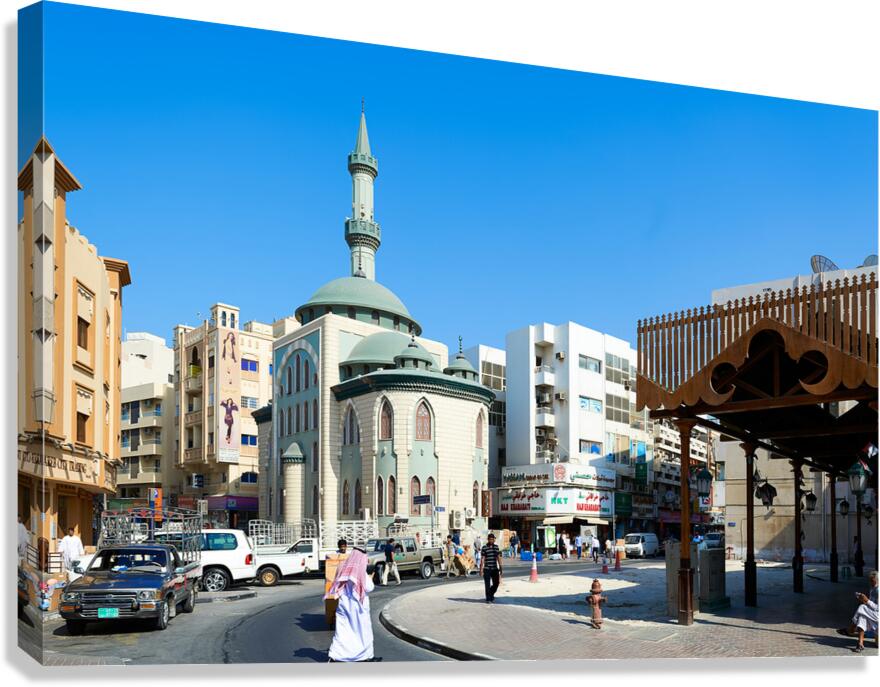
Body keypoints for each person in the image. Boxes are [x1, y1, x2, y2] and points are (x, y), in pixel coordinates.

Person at [326, 548, 376, 662]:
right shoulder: (360, 571)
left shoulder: (343, 567)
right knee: (363, 632)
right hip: (358, 608)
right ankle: (367, 656)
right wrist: (371, 578)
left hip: (344, 605)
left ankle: (336, 655)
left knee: (343, 632)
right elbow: (369, 587)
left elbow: (337, 581)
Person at [838, 570, 878, 652]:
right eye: (870, 581)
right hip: (874, 615)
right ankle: (860, 644)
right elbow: (871, 606)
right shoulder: (872, 589)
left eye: (873, 581)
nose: (871, 583)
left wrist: (867, 601)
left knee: (862, 608)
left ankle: (851, 628)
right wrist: (863, 599)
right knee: (862, 615)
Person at [480, 532, 503, 603]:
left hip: (495, 569)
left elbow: (498, 557)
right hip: (487, 569)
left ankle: (491, 593)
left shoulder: (496, 547)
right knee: (487, 584)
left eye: (492, 539)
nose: (491, 541)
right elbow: (483, 559)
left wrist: (501, 567)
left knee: (496, 583)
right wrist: (481, 569)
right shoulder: (484, 547)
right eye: (490, 539)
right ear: (488, 539)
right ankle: (488, 598)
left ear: (494, 540)